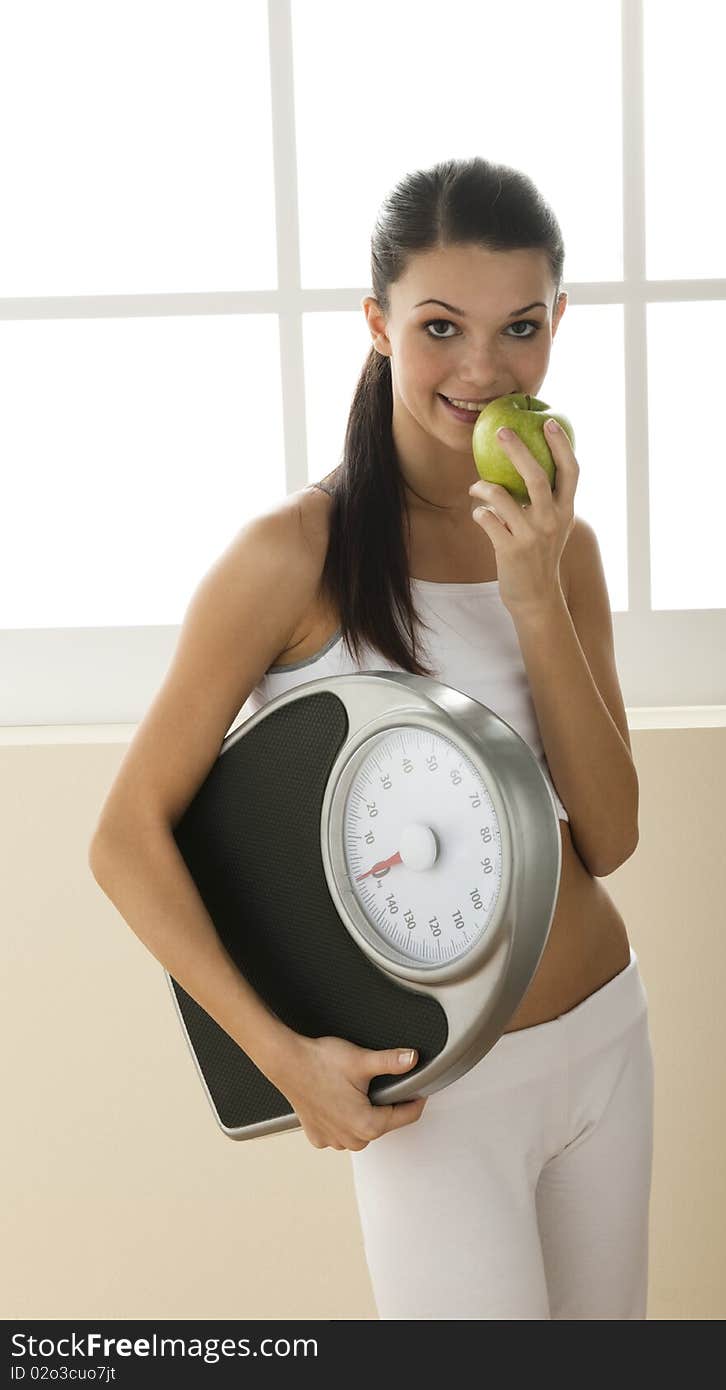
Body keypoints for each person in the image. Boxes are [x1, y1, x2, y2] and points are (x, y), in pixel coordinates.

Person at [90, 155, 653, 1321]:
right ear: (378, 325)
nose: (482, 368)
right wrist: (285, 1062)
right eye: (440, 325)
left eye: (520, 327)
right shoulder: (292, 555)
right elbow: (125, 837)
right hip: (434, 1091)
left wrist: (535, 589)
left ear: (558, 327)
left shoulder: (563, 544)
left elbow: (608, 833)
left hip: (604, 1040)